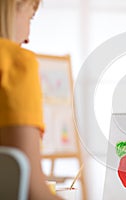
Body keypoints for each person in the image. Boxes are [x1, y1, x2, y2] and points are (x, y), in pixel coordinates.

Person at [0, 0, 61, 199]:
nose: (27, 38)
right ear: (11, 9)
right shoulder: (15, 64)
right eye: (30, 18)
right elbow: (32, 190)